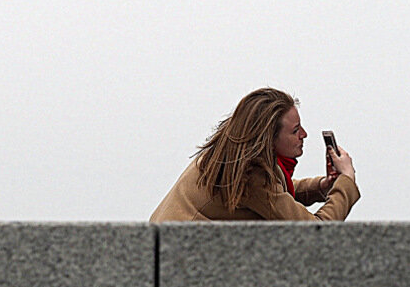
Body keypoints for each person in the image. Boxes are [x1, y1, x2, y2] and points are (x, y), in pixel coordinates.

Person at [150, 87, 360, 221]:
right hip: (179, 264)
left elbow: (274, 195)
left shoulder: (230, 157)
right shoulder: (250, 176)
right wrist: (347, 181)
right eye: (295, 130)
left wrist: (321, 186)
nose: (304, 135)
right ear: (268, 138)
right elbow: (316, 231)